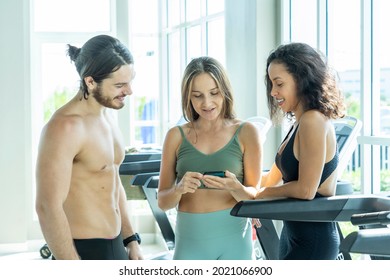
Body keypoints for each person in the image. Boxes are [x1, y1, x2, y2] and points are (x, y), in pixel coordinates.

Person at [35, 35, 143, 260]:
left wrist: (131, 239)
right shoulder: (64, 128)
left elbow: (112, 183)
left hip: (116, 246)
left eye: (130, 81)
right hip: (82, 251)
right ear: (90, 81)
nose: (129, 91)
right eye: (120, 85)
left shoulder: (107, 116)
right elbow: (47, 207)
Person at [157, 56, 262, 260]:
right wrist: (179, 189)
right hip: (189, 242)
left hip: (234, 241)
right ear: (188, 97)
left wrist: (235, 187)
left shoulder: (247, 132)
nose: (207, 103)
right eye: (197, 96)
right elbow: (162, 202)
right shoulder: (175, 136)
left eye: (214, 93)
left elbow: (253, 197)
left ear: (225, 91)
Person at [256, 42, 346, 260]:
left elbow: (306, 189)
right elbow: (271, 180)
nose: (273, 92)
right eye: (271, 84)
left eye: (279, 84)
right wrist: (234, 183)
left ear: (301, 80)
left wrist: (259, 195)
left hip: (314, 241)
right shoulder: (298, 123)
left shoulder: (313, 120)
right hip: (293, 234)